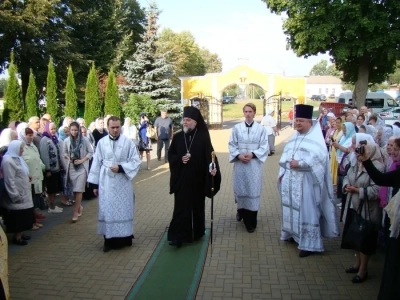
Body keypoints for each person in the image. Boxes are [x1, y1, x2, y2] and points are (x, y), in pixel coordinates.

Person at [278, 104, 340, 257]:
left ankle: (310, 245)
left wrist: (300, 163)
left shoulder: (316, 139)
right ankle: (293, 234)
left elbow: (319, 159)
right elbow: (285, 155)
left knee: (307, 211)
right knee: (291, 207)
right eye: (296, 120)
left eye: (301, 121)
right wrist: (287, 165)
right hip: (291, 181)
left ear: (309, 122)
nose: (297, 123)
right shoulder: (295, 136)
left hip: (306, 183)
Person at [167, 106, 221, 247]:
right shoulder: (178, 137)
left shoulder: (203, 137)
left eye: (188, 120)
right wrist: (180, 159)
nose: (185, 122)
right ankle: (178, 236)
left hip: (198, 179)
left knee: (197, 207)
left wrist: (212, 168)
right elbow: (170, 155)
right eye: (184, 119)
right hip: (182, 180)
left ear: (196, 122)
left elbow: (211, 156)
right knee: (181, 208)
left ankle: (197, 232)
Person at [87, 116, 141, 252]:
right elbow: (96, 162)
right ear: (107, 127)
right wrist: (94, 185)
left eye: (118, 127)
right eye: (113, 127)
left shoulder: (128, 143)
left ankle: (126, 237)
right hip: (107, 183)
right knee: (108, 210)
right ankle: (108, 240)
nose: (116, 130)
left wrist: (121, 168)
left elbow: (135, 161)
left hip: (123, 182)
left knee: (124, 209)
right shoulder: (101, 143)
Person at [357, 137, 400, 299]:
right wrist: (366, 161)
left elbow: (380, 180)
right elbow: (383, 180)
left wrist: (367, 161)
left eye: (396, 149)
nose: (392, 152)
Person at [342, 135, 383, 284]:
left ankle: (363, 270)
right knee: (356, 237)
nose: (358, 155)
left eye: (362, 152)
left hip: (367, 209)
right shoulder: (356, 162)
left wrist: (359, 191)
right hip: (354, 205)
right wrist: (346, 186)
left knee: (365, 240)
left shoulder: (377, 167)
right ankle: (357, 264)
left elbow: (378, 189)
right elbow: (347, 176)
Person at [229, 103, 269, 232]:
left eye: (250, 111)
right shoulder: (236, 128)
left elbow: (264, 146)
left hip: (254, 165)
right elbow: (231, 144)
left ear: (254, 113)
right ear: (243, 112)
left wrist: (252, 154)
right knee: (241, 188)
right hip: (240, 164)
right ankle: (240, 211)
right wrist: (238, 156)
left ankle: (251, 222)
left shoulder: (261, 129)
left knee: (252, 190)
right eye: (246, 111)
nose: (248, 114)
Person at [1, 140, 36, 245]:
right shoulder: (8, 161)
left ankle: (21, 233)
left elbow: (23, 170)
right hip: (17, 193)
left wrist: (27, 175)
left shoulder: (18, 158)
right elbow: (9, 180)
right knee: (18, 216)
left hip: (23, 191)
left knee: (24, 214)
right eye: (20, 149)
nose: (22, 151)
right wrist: (14, 195)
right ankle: (17, 237)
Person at [62, 122, 94, 222]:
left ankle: (75, 212)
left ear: (79, 130)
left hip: (82, 167)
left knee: (79, 189)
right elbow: (64, 153)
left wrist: (82, 160)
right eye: (72, 130)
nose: (74, 132)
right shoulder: (67, 141)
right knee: (75, 190)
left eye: (76, 130)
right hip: (72, 167)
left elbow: (91, 152)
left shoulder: (84, 140)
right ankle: (79, 206)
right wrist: (69, 158)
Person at [18, 124, 46, 227]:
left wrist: (43, 167)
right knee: (29, 202)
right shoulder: (21, 147)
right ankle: (31, 223)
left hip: (37, 177)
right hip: (29, 179)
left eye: (31, 135)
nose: (30, 137)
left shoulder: (33, 145)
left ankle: (33, 220)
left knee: (34, 201)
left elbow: (37, 159)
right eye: (28, 135)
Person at [39, 122, 64, 213]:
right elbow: (45, 155)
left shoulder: (53, 138)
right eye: (51, 129)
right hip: (50, 170)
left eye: (54, 129)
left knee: (55, 189)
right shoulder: (44, 140)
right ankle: (51, 206)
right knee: (51, 189)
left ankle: (53, 205)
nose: (53, 131)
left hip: (56, 168)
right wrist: (47, 169)